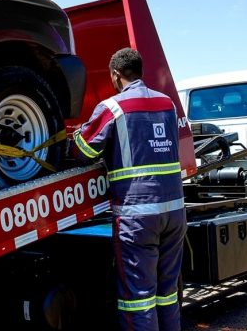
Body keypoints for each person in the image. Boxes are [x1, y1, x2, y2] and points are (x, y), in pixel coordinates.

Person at [72, 48, 187, 331]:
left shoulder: (112, 107)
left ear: (115, 75)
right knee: (167, 293)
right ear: (140, 70)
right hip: (174, 211)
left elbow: (84, 150)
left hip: (138, 217)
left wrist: (75, 135)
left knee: (138, 299)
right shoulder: (168, 104)